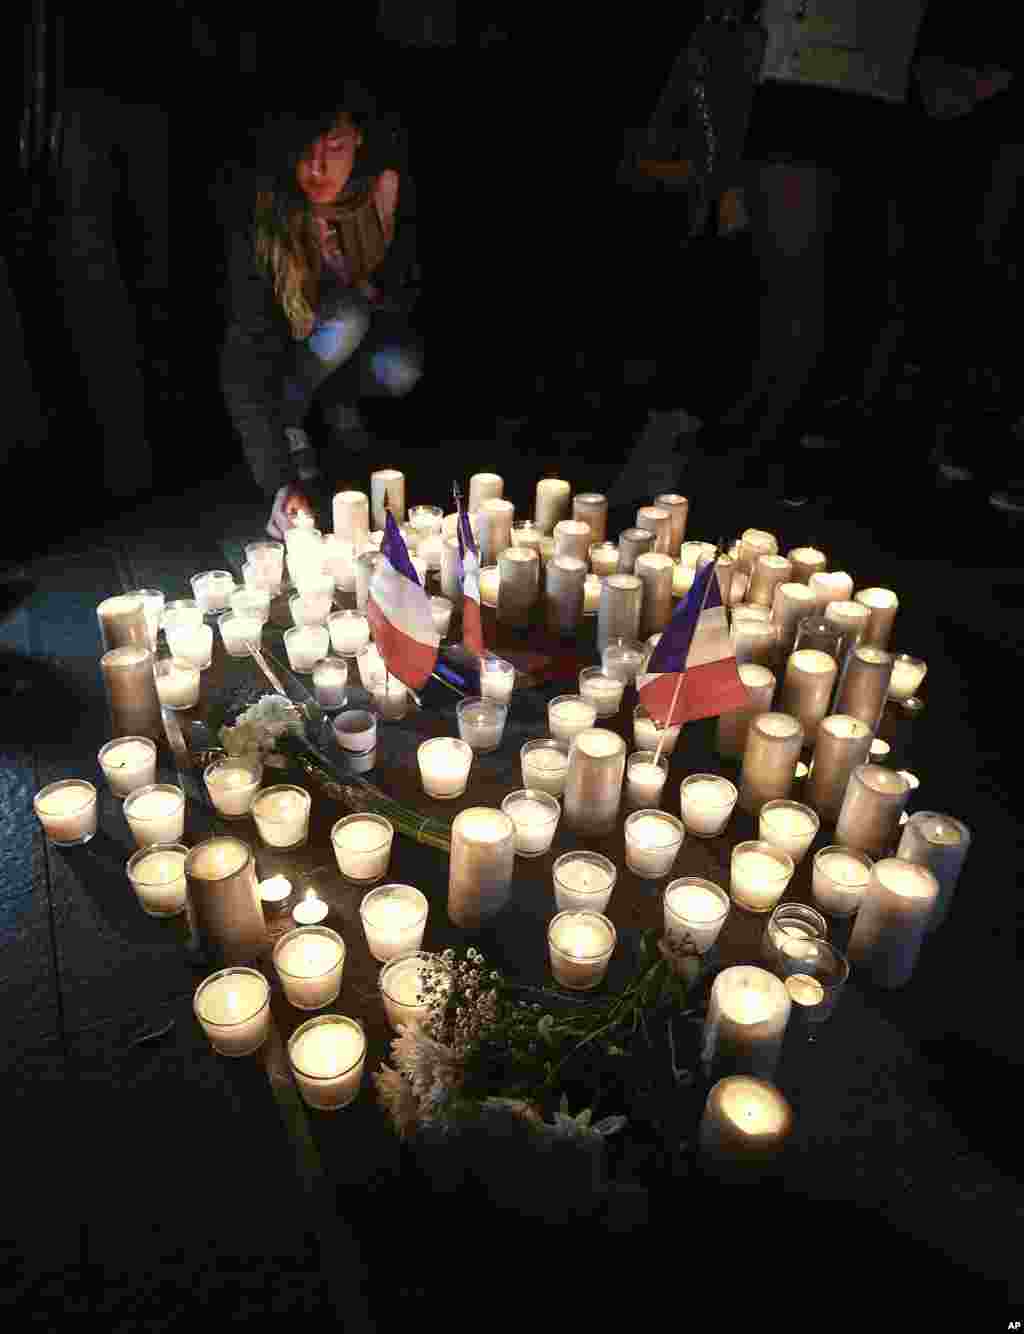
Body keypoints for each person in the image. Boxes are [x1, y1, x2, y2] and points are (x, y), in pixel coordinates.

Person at [219, 81, 423, 538]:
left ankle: (334, 406)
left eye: (335, 146)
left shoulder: (381, 199)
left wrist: (368, 287)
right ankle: (293, 419)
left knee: (398, 363)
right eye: (305, 150)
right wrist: (278, 482)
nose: (318, 167)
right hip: (284, 361)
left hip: (349, 354)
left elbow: (406, 298)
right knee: (347, 315)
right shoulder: (267, 216)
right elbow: (243, 355)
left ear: (358, 141)